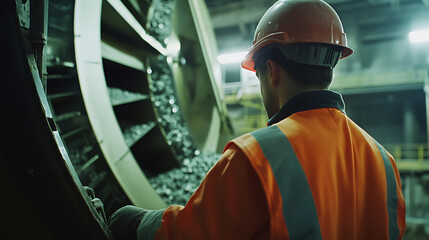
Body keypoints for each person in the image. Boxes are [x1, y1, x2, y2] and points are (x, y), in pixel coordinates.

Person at [109, 0, 406, 239]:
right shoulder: (383, 162)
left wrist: (137, 223)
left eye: (259, 75)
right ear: (330, 66)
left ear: (272, 72)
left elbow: (189, 232)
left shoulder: (257, 156)